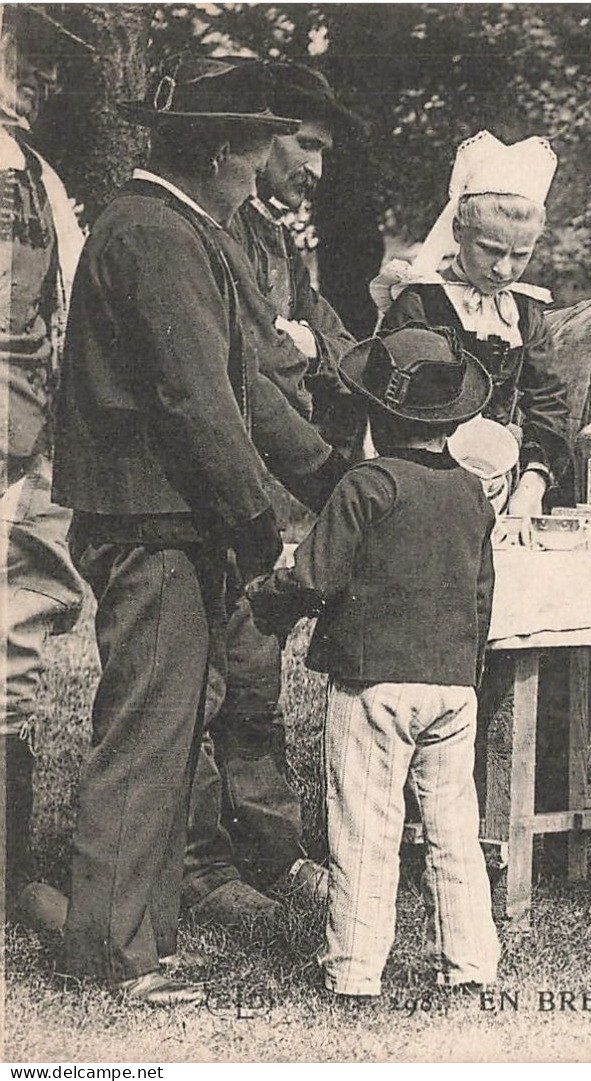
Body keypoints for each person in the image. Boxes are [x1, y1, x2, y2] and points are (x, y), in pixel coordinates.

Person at [51, 54, 346, 1006]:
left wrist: (339, 479)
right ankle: (116, 956)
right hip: (149, 523)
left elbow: (255, 386)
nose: (267, 167)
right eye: (261, 148)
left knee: (171, 730)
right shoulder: (156, 234)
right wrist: (264, 532)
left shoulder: (185, 229)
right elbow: (197, 405)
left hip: (174, 520)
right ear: (221, 152)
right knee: (147, 733)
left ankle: (136, 933)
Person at [245, 325, 501, 999]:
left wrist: (263, 601)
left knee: (364, 829)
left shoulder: (366, 485)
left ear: (372, 417)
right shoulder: (473, 495)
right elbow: (481, 596)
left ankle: (355, 972)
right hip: (452, 687)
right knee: (453, 831)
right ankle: (470, 964)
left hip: (373, 684)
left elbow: (315, 577)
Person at [182, 59, 365, 927]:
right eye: (301, 143)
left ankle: (268, 849)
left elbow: (321, 338)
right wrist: (297, 356)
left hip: (275, 475)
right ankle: (198, 866)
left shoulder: (282, 236)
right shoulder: (213, 229)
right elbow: (253, 364)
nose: (314, 168)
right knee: (202, 676)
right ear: (252, 139)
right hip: (217, 479)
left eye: (325, 151)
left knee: (253, 676)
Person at [0, 5, 86, 930]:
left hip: (32, 451)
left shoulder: (40, 178)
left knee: (15, 646)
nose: (27, 80)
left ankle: (9, 870)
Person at [374, 130, 571, 515]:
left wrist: (531, 485)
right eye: (491, 250)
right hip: (423, 486)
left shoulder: (524, 314)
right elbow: (391, 411)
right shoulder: (420, 304)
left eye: (520, 255)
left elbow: (548, 403)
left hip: (504, 484)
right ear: (458, 232)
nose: (503, 269)